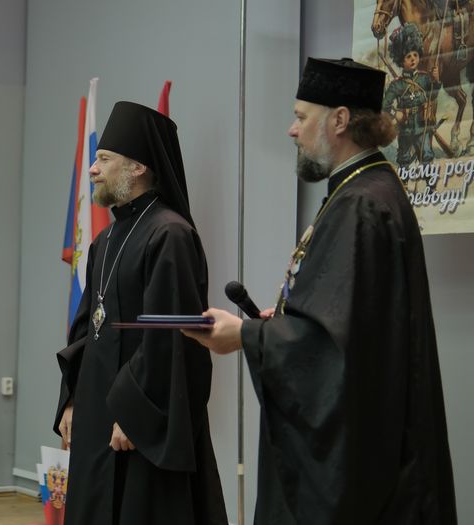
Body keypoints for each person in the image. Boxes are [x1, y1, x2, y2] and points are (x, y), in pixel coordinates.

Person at [184, 58, 457, 524]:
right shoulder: (367, 189)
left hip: (368, 477)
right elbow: (351, 320)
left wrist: (245, 335)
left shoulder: (361, 204)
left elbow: (333, 351)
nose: (292, 130)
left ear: (340, 120)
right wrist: (283, 321)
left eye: (300, 116)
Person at [53, 101, 228, 525]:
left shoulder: (169, 234)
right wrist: (72, 398)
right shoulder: (106, 238)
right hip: (96, 417)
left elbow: (170, 338)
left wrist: (137, 417)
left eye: (104, 159)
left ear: (138, 168)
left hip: (138, 429)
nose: (93, 169)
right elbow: (86, 326)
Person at [382, 23, 441, 169]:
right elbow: (385, 106)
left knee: (426, 155)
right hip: (405, 129)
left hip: (422, 126)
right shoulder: (396, 85)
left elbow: (433, 96)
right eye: (408, 57)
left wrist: (436, 80)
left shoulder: (425, 78)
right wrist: (395, 114)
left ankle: (429, 182)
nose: (413, 59)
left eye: (415, 55)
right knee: (403, 158)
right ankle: (404, 182)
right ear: (401, 61)